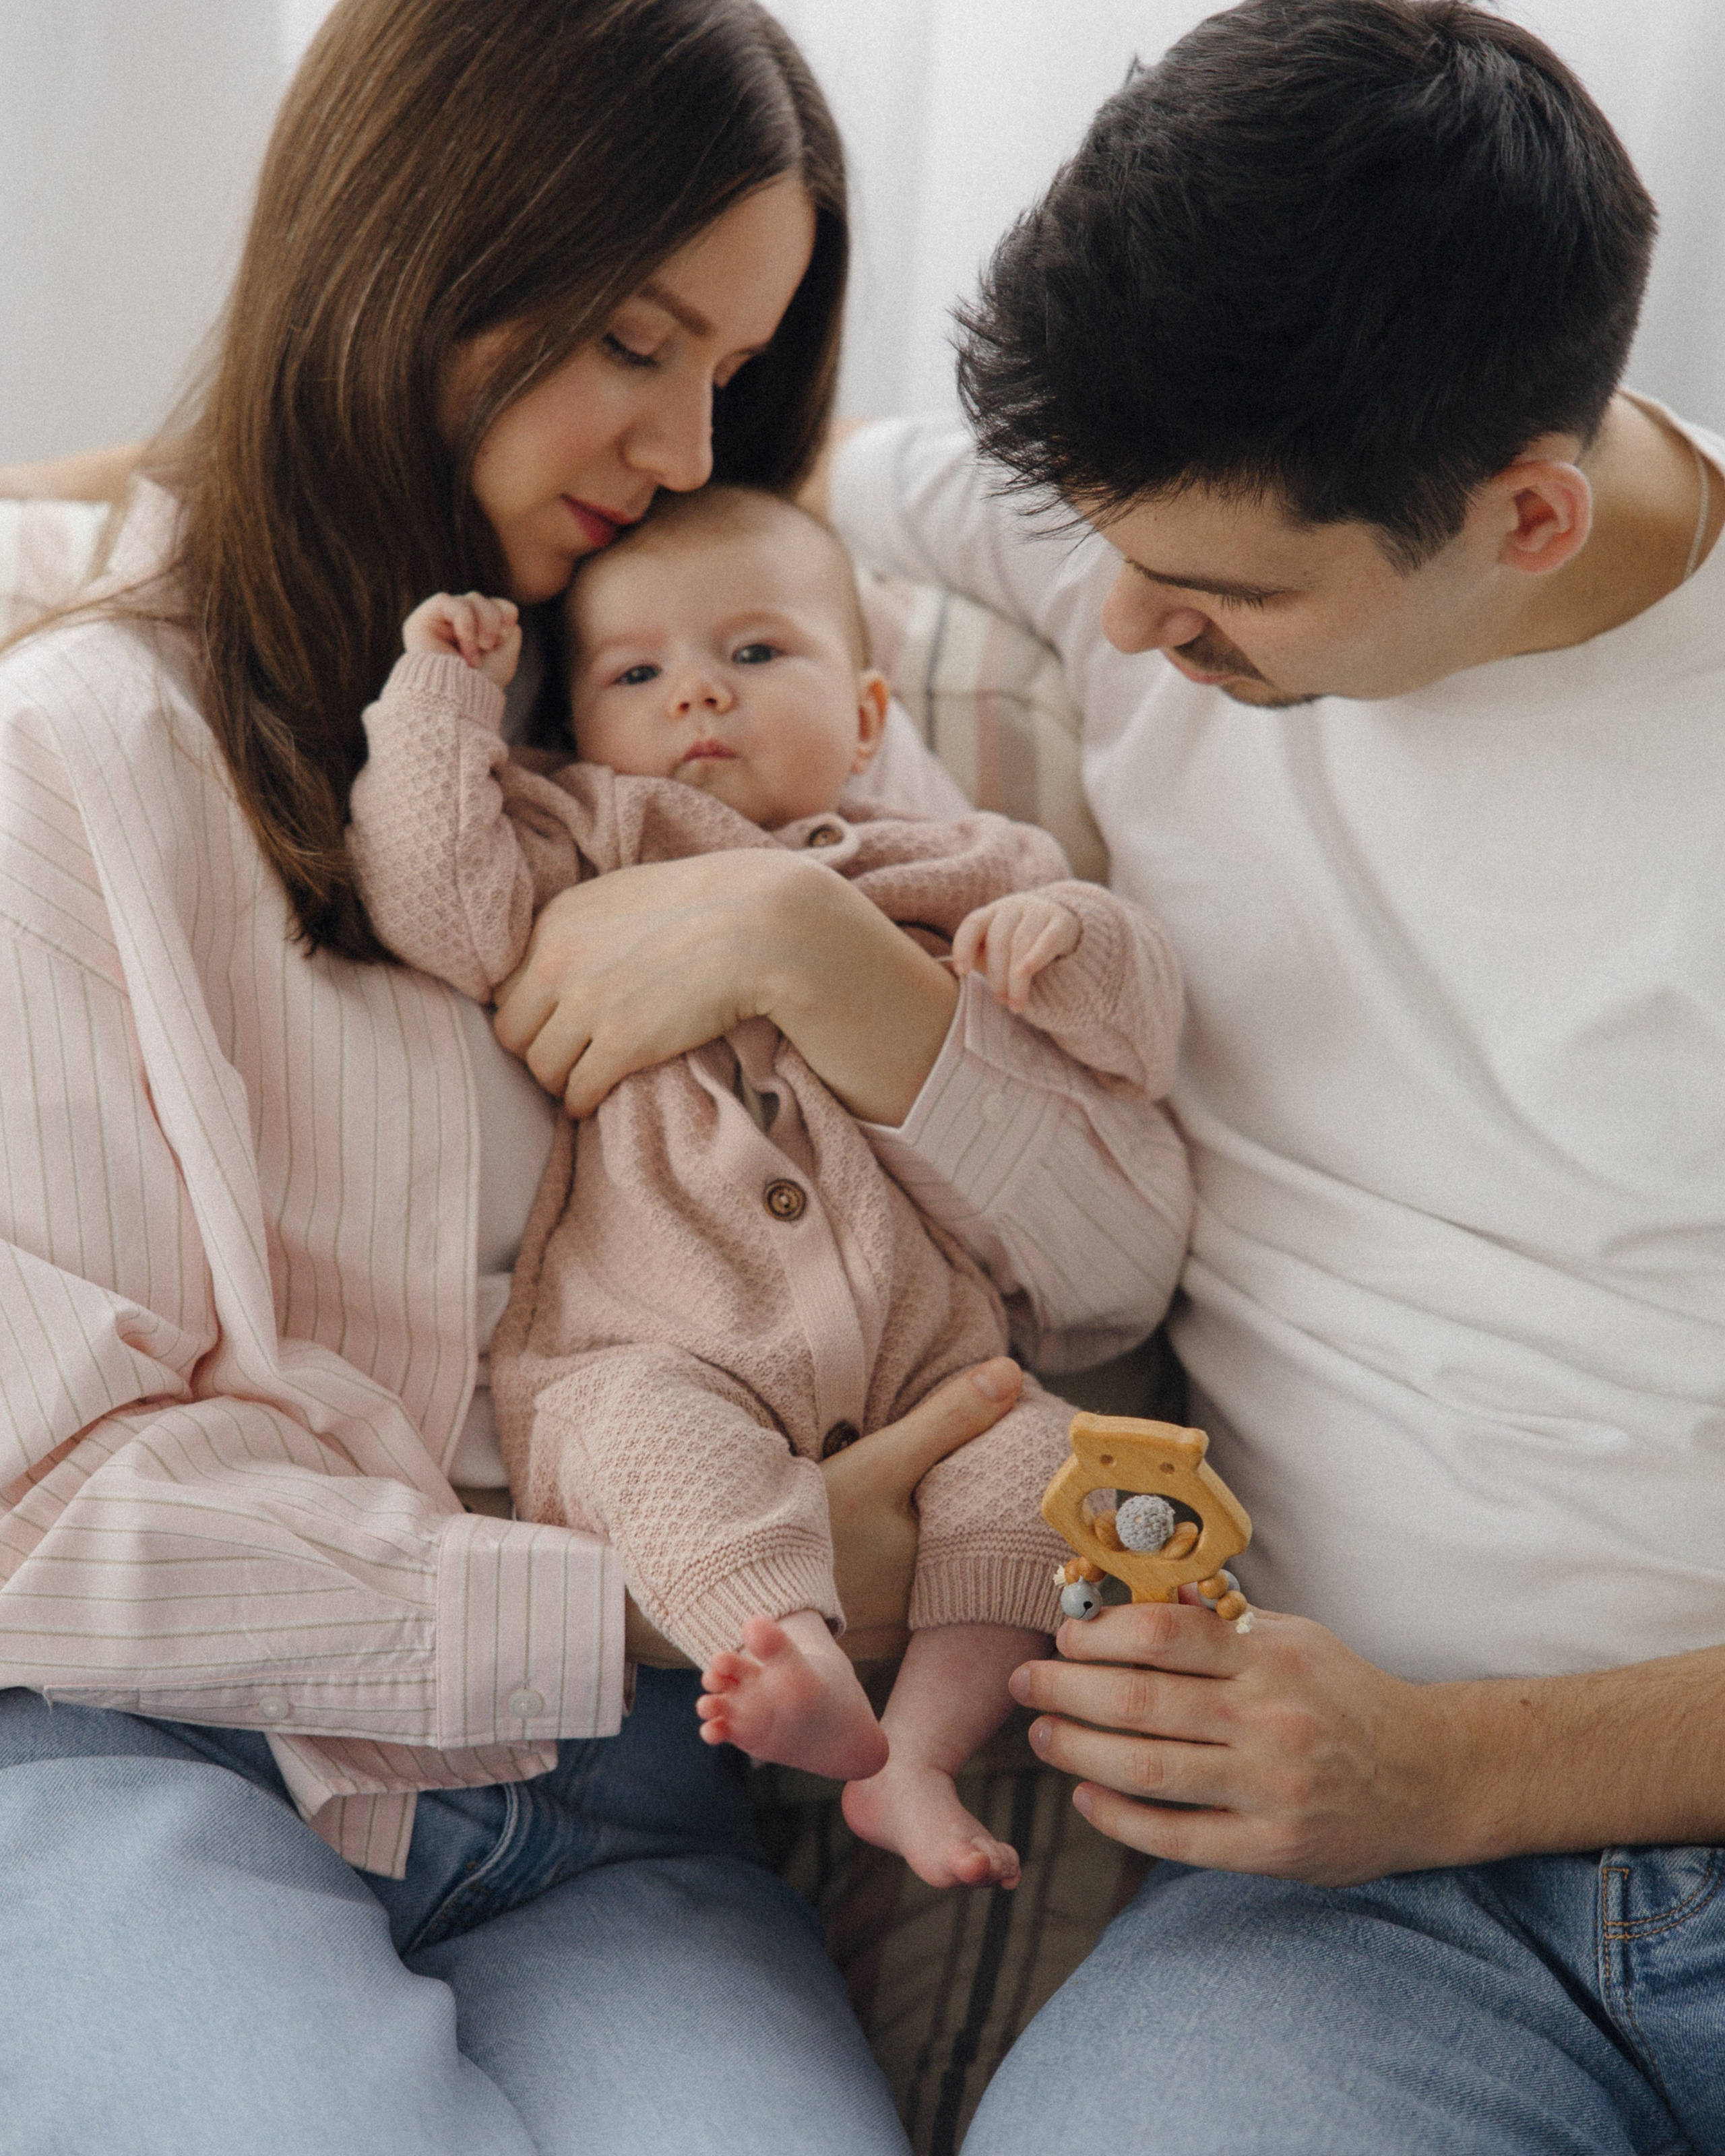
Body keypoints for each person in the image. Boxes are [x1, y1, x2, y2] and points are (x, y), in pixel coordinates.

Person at [0, 3, 1191, 2151]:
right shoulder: (75, 754)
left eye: (728, 370)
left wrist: (810, 953)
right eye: (636, 341)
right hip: (159, 1752)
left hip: (626, 1812)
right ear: (416, 249)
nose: (677, 439)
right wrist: (654, 1589)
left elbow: (1108, 1268)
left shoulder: (726, 696)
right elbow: (38, 1519)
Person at [817, 1, 1725, 2147]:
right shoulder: (1172, 519)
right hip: (1363, 1927)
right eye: (1102, 540)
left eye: (1220, 592)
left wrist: (1467, 1771)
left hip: (1460, 1784)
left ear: (1523, 514)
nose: (1122, 631)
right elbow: (673, 461)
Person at [344, 482, 1187, 1889]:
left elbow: (1136, 1025)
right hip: (658, 1339)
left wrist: (1069, 939)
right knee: (641, 1441)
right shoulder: (580, 830)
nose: (696, 699)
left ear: (864, 718)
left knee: (1043, 1465)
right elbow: (438, 904)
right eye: (636, 671)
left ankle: (913, 1753)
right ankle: (784, 1650)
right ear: (575, 720)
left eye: (752, 654)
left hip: (932, 1365)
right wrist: (440, 703)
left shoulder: (941, 863)